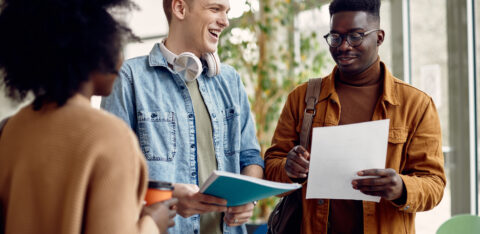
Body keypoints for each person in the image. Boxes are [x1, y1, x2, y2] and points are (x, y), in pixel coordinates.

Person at [264, 0, 446, 233]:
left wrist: (401, 187)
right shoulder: (302, 98)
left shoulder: (416, 105)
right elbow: (271, 168)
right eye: (335, 37)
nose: (343, 46)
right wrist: (289, 169)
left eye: (356, 36)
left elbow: (434, 184)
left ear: (379, 37)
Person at [0, 0, 177, 233]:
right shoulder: (110, 137)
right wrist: (153, 222)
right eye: (117, 47)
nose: (121, 61)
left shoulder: (11, 129)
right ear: (94, 52)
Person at [101, 0, 264, 233]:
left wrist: (249, 198)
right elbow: (112, 176)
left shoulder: (230, 80)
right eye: (215, 9)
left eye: (226, 12)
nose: (225, 21)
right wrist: (168, 196)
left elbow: (250, 157)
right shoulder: (129, 78)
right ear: (180, 8)